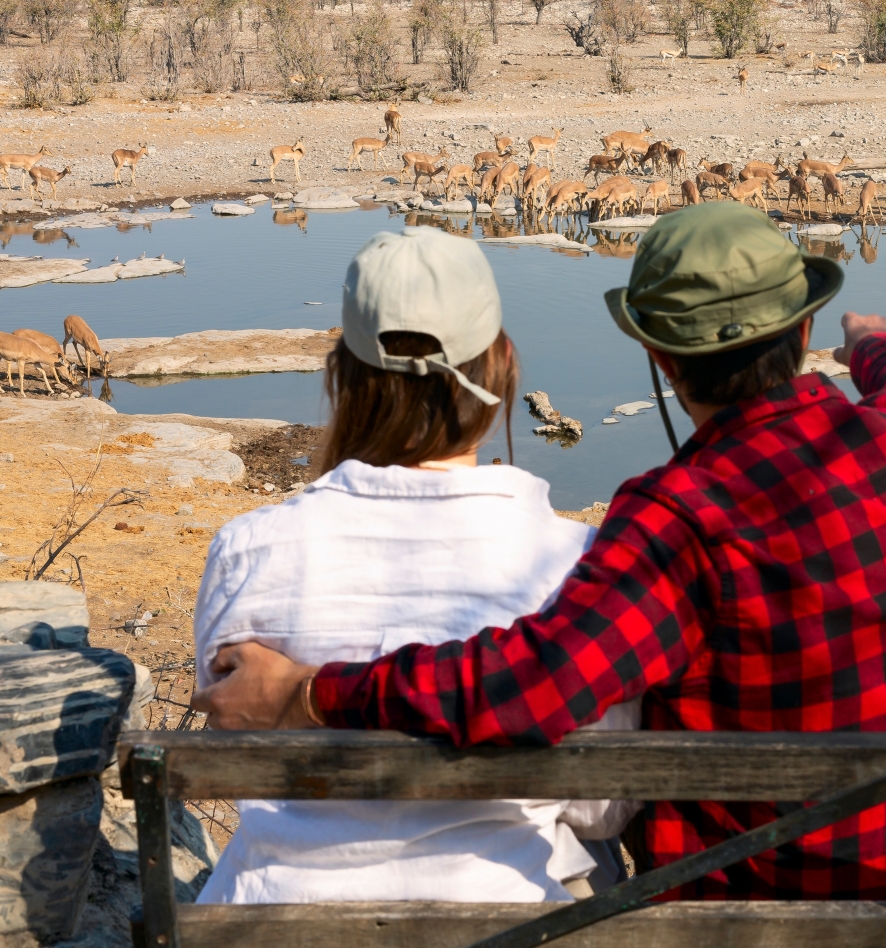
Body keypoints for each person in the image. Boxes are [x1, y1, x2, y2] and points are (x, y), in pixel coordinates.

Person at [196, 202, 886, 901]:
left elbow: (530, 687)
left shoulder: (675, 520)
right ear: (805, 328)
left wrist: (312, 693)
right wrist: (881, 343)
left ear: (659, 356)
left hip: (768, 908)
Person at [193, 226, 636, 903]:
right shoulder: (570, 563)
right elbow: (602, 807)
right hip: (508, 915)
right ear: (501, 365)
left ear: (343, 375)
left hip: (275, 917)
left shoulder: (249, 550)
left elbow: (234, 751)